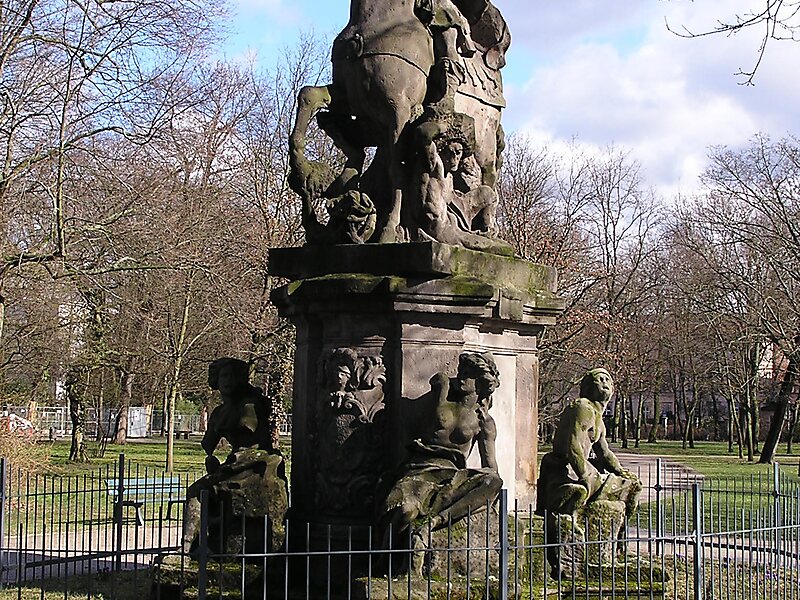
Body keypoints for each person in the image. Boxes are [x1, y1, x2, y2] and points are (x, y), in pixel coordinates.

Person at [376, 352, 503, 557]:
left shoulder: (484, 421)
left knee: (493, 481)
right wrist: (442, 385)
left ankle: (435, 521)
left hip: (452, 475)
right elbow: (409, 421)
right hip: (421, 469)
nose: (461, 377)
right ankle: (387, 559)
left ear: (481, 383)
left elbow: (491, 466)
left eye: (469, 374)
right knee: (404, 511)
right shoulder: (441, 395)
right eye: (462, 371)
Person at [181, 358, 287, 554]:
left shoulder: (249, 405)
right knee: (196, 491)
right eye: (223, 376)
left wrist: (223, 424)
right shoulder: (220, 412)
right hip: (234, 462)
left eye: (232, 376)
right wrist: (211, 456)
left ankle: (203, 544)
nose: (227, 381)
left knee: (211, 490)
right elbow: (208, 444)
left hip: (255, 462)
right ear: (216, 380)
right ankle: (189, 546)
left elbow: (249, 429)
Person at [536, 368, 641, 518]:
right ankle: (612, 535)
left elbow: (604, 453)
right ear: (588, 387)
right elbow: (574, 447)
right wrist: (586, 477)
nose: (604, 382)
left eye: (607, 380)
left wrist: (621, 471)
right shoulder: (583, 408)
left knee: (632, 484)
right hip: (567, 471)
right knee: (628, 489)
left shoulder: (598, 418)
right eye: (600, 379)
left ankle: (619, 536)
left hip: (579, 470)